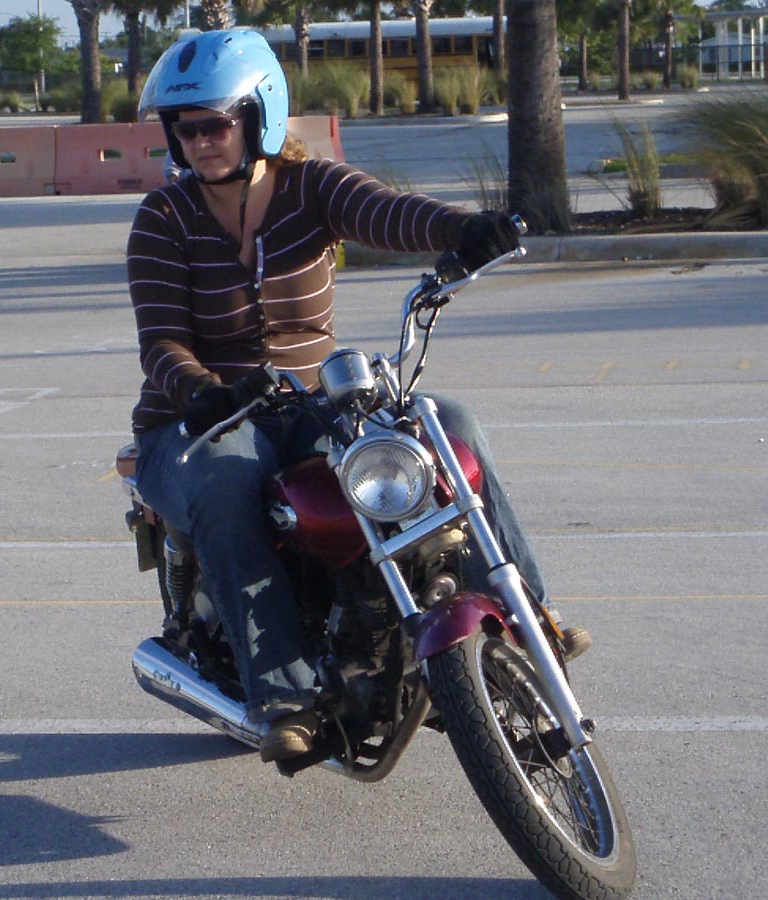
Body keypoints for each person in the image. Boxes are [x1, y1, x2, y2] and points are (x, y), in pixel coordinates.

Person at [127, 29, 588, 764]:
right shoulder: (164, 217)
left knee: (445, 424)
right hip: (199, 421)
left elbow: (391, 213)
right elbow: (161, 342)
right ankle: (285, 697)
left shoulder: (312, 187)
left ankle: (527, 612)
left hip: (308, 403)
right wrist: (204, 390)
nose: (201, 142)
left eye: (215, 124)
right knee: (225, 483)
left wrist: (467, 229)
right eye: (185, 129)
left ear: (257, 117)